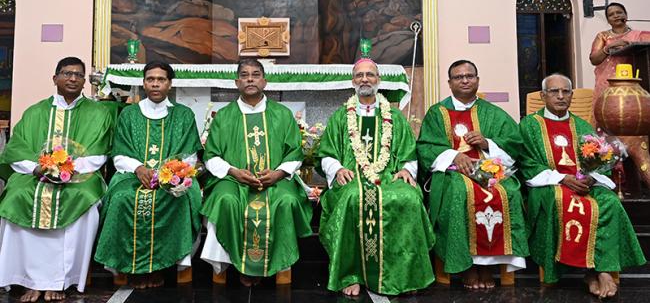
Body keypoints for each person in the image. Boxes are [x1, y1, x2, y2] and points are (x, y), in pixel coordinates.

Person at [519, 73, 645, 298]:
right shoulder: (530, 125)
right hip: (550, 184)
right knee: (560, 201)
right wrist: (562, 178)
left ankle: (603, 270)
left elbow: (600, 161)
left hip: (585, 183)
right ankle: (587, 271)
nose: (560, 96)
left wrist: (591, 177)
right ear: (543, 95)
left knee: (609, 203)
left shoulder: (582, 125)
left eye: (565, 92)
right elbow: (527, 162)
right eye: (554, 91)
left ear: (571, 96)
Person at [317, 58, 434, 297]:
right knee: (352, 197)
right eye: (360, 75)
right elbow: (327, 152)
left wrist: (406, 169)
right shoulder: (341, 117)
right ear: (353, 81)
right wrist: (338, 169)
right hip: (352, 176)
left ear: (378, 80)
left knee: (409, 199)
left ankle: (405, 273)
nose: (365, 79)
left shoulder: (394, 117)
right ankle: (351, 274)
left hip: (389, 175)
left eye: (370, 75)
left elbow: (408, 151)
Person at [0, 57, 112, 302]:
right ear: (55, 78)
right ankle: (27, 280)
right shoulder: (35, 112)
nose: (73, 78)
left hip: (80, 177)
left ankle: (63, 281)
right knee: (16, 195)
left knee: (84, 199)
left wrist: (68, 170)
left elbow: (99, 152)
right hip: (35, 175)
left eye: (78, 75)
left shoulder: (99, 113)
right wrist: (38, 169)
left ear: (85, 81)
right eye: (67, 73)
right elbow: (17, 148)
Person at [417, 60, 528, 289]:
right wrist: (453, 156)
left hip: (490, 170)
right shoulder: (437, 113)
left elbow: (515, 145)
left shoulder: (493, 113)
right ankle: (467, 266)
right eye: (458, 77)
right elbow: (426, 147)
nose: (465, 80)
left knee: (508, 191)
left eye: (469, 76)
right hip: (451, 174)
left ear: (477, 80)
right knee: (459, 191)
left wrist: (487, 144)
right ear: (449, 83)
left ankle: (487, 266)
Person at [200, 59, 312, 286]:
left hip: (275, 180)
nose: (250, 78)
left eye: (255, 74)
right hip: (234, 180)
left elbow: (295, 152)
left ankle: (280, 266)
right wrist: (233, 171)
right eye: (244, 75)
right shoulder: (224, 116)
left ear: (265, 81)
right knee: (225, 200)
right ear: (236, 82)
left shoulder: (282, 114)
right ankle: (226, 267)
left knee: (287, 200)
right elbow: (211, 155)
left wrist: (279, 173)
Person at [94, 61, 202, 289]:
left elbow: (190, 155)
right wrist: (138, 169)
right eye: (150, 79)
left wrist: (171, 173)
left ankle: (161, 267)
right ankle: (126, 268)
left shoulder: (183, 114)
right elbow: (120, 152)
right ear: (143, 83)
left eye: (161, 80)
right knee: (122, 198)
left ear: (170, 84)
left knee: (179, 199)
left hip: (172, 179)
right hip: (132, 177)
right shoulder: (129, 114)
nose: (155, 84)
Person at [589, 1, 650, 186]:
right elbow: (594, 59)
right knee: (605, 130)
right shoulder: (603, 36)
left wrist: (630, 44)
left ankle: (635, 179)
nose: (616, 16)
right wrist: (609, 48)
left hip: (634, 94)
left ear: (626, 14)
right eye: (611, 14)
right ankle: (608, 176)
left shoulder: (638, 35)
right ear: (608, 20)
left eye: (619, 12)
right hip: (607, 89)